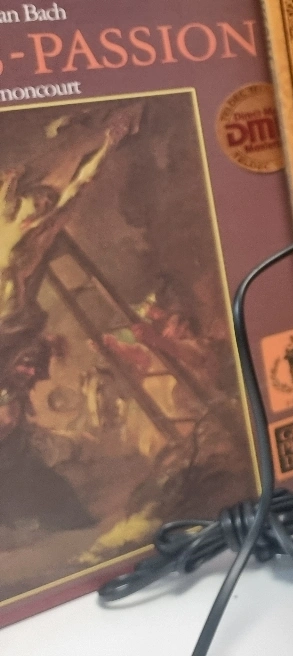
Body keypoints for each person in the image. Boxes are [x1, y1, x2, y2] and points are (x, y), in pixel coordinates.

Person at [0, 109, 137, 532]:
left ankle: (43, 505)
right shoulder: (7, 228)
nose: (40, 207)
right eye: (36, 200)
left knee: (10, 421)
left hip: (11, 328)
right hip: (7, 331)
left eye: (45, 203)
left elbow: (77, 188)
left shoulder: (31, 237)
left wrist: (107, 145)